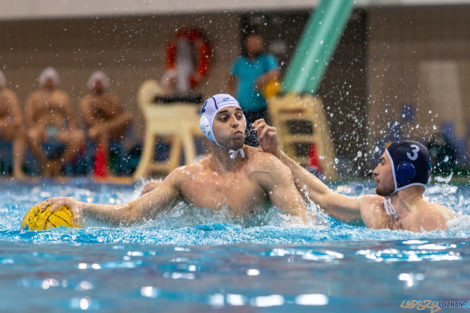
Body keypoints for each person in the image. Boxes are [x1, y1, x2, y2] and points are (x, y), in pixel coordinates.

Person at [36, 94, 306, 226]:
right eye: (224, 118)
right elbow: (130, 215)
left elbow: (302, 226)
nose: (236, 122)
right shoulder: (187, 179)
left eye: (238, 115)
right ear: (207, 129)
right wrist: (81, 205)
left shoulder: (266, 168)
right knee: (153, 193)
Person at [252, 119, 456, 232]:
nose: (375, 170)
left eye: (383, 163)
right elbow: (324, 198)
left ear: (402, 172)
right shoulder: (374, 208)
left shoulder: (433, 220)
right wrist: (277, 154)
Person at [25, 67, 85, 176]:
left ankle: (59, 165)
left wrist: (71, 129)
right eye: (47, 80)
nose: (49, 82)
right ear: (42, 81)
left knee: (79, 136)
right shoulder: (34, 97)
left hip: (59, 131)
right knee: (30, 135)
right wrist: (36, 129)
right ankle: (46, 164)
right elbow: (29, 118)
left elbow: (71, 117)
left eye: (51, 80)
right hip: (41, 131)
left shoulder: (63, 96)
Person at [227, 31, 280, 146]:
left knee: (260, 137)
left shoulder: (266, 60)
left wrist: (263, 78)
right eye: (252, 43)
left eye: (257, 43)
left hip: (261, 106)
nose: (255, 45)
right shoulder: (241, 62)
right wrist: (231, 95)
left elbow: (275, 73)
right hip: (243, 106)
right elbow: (230, 78)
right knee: (243, 137)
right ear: (246, 44)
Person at [79, 70, 132, 174]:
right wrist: (100, 125)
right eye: (96, 83)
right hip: (96, 133)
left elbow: (118, 115)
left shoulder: (111, 98)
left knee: (128, 116)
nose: (98, 85)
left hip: (113, 131)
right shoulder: (86, 100)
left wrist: (103, 106)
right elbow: (88, 119)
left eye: (100, 82)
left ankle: (108, 168)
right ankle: (104, 169)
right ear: (92, 84)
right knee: (100, 133)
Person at [0, 70, 26, 178]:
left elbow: (18, 118)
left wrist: (8, 124)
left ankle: (16, 169)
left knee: (21, 131)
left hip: (5, 129)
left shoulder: (9, 96)